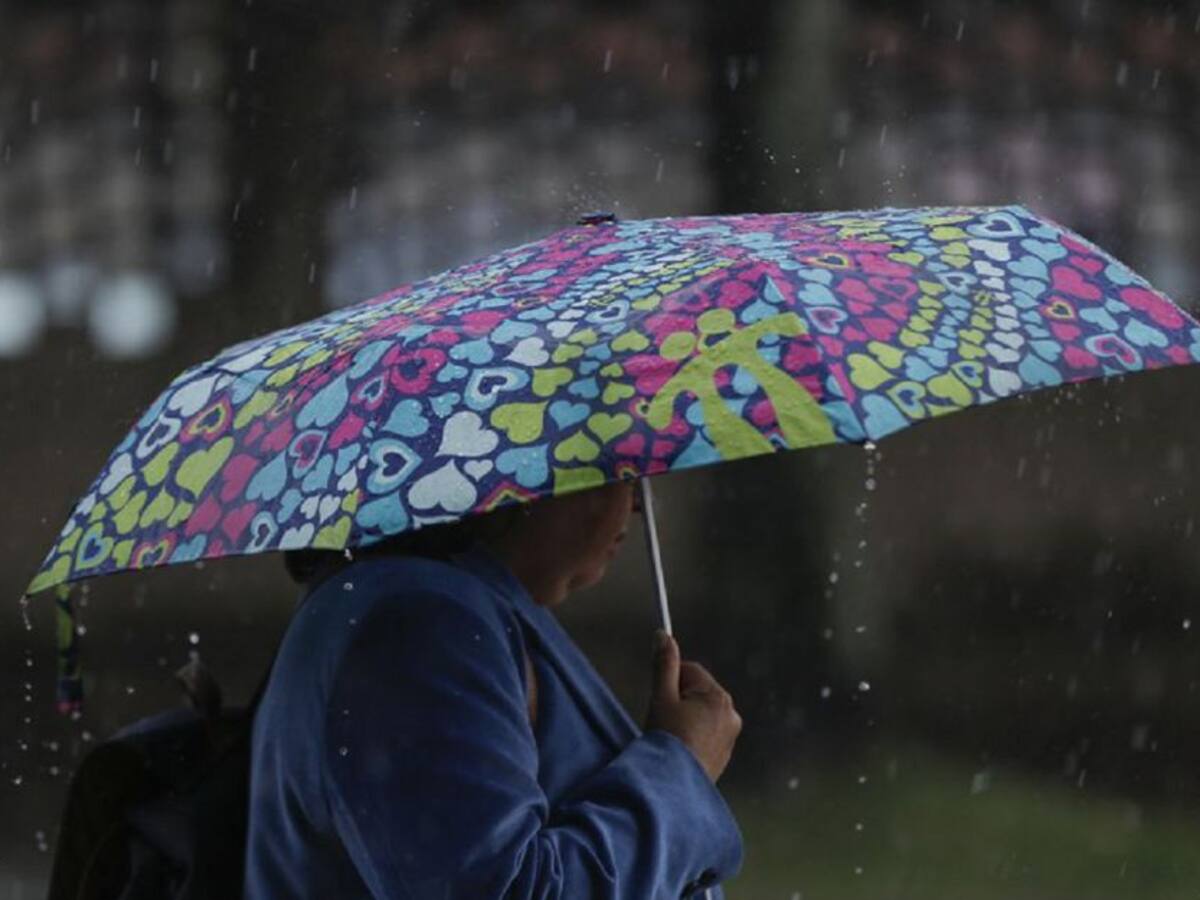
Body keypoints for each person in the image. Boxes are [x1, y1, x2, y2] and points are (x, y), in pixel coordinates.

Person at [243, 479, 745, 899]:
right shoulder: (420, 627)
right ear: (529, 476)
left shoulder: (438, 605)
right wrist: (681, 769)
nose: (636, 502)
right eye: (612, 467)